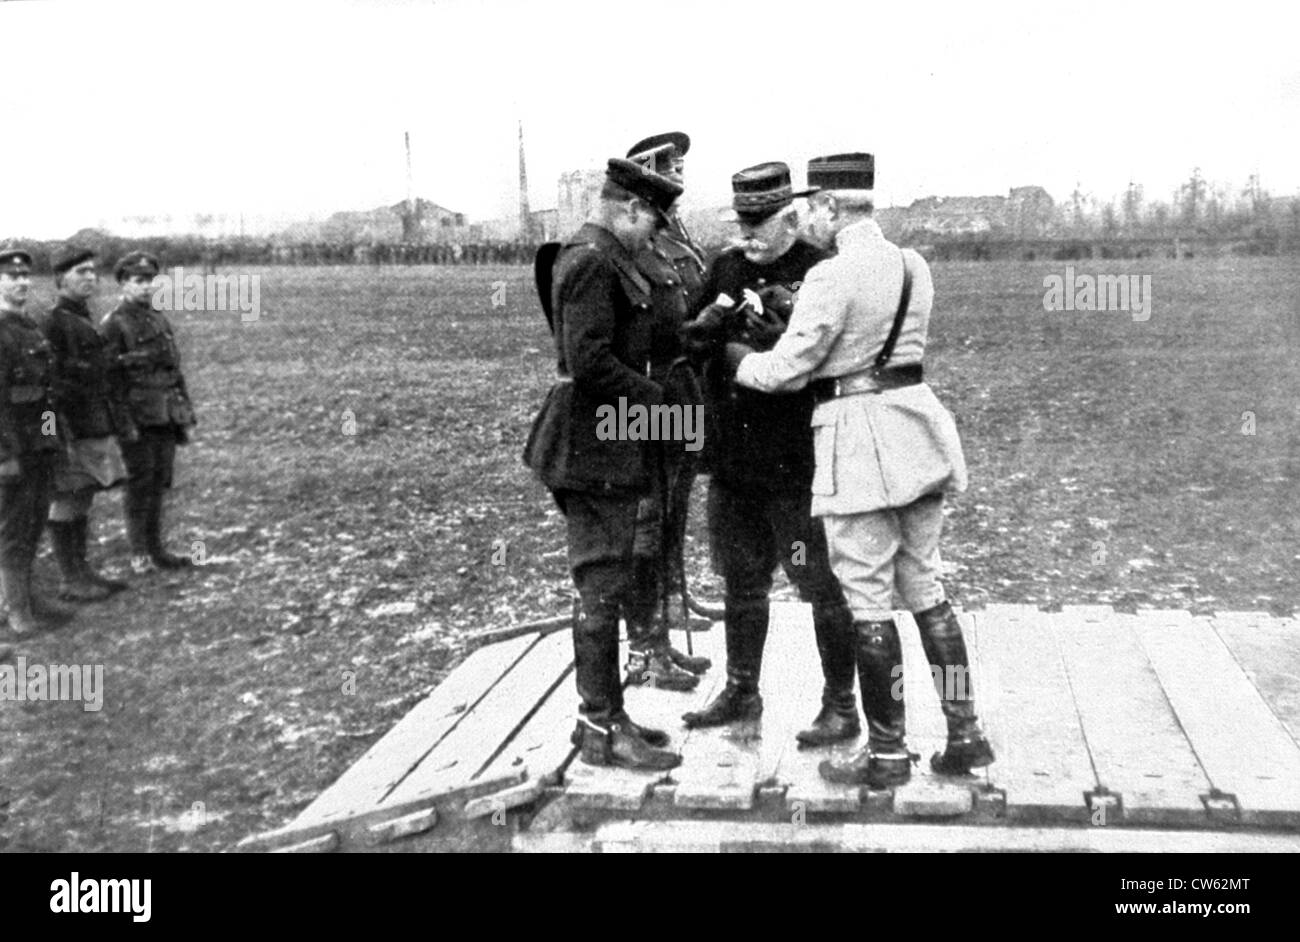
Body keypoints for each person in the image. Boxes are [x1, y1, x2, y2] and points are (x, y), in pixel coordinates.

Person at [728, 153, 994, 787]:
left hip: (856, 444)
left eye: (808, 208)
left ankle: (887, 752)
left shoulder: (829, 275)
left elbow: (788, 369)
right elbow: (875, 340)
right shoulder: (914, 265)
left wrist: (738, 356)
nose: (805, 219)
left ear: (827, 207)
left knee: (868, 604)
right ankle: (966, 733)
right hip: (918, 434)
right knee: (929, 594)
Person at [676, 162, 859, 747]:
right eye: (742, 221)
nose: (749, 234)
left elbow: (840, 359)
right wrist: (710, 333)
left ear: (792, 217)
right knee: (741, 581)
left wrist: (776, 337)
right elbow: (691, 341)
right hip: (734, 459)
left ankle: (840, 705)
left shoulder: (821, 269)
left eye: (760, 223)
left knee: (821, 584)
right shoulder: (725, 266)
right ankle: (740, 689)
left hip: (798, 463)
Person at [523, 158, 689, 771]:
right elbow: (588, 361)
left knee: (610, 576)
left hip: (607, 440)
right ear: (629, 210)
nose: (654, 237)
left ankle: (604, 716)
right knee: (600, 581)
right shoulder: (592, 260)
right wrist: (657, 400)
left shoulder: (605, 254)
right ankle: (599, 723)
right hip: (590, 445)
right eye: (653, 222)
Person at [621, 131, 711, 690]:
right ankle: (646, 643)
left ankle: (667, 614)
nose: (679, 178)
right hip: (653, 394)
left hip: (681, 387)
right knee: (647, 520)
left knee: (675, 503)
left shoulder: (676, 236)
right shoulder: (635, 245)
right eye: (670, 170)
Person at [40, 247, 129, 601]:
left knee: (84, 494)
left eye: (92, 271)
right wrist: (53, 432)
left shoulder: (82, 317)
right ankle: (69, 578)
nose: (90, 277)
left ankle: (82, 570)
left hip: (92, 420)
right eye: (81, 272)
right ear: (62, 279)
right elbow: (48, 381)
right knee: (68, 496)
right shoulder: (53, 322)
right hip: (69, 426)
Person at [100, 252, 197, 574]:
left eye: (149, 281)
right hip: (137, 417)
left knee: (159, 480)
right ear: (124, 284)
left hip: (165, 413)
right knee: (140, 482)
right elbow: (111, 381)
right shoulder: (115, 324)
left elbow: (173, 367)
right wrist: (124, 424)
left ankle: (157, 549)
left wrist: (185, 409)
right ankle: (139, 552)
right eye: (138, 281)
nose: (145, 287)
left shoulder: (157, 318)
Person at [0, 248, 63, 635]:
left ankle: (29, 598)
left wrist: (50, 436)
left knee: (35, 520)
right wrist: (5, 455)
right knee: (12, 528)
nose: (21, 282)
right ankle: (16, 610)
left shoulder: (29, 326)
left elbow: (46, 393)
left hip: (38, 444)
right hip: (12, 449)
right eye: (11, 276)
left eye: (25, 276)